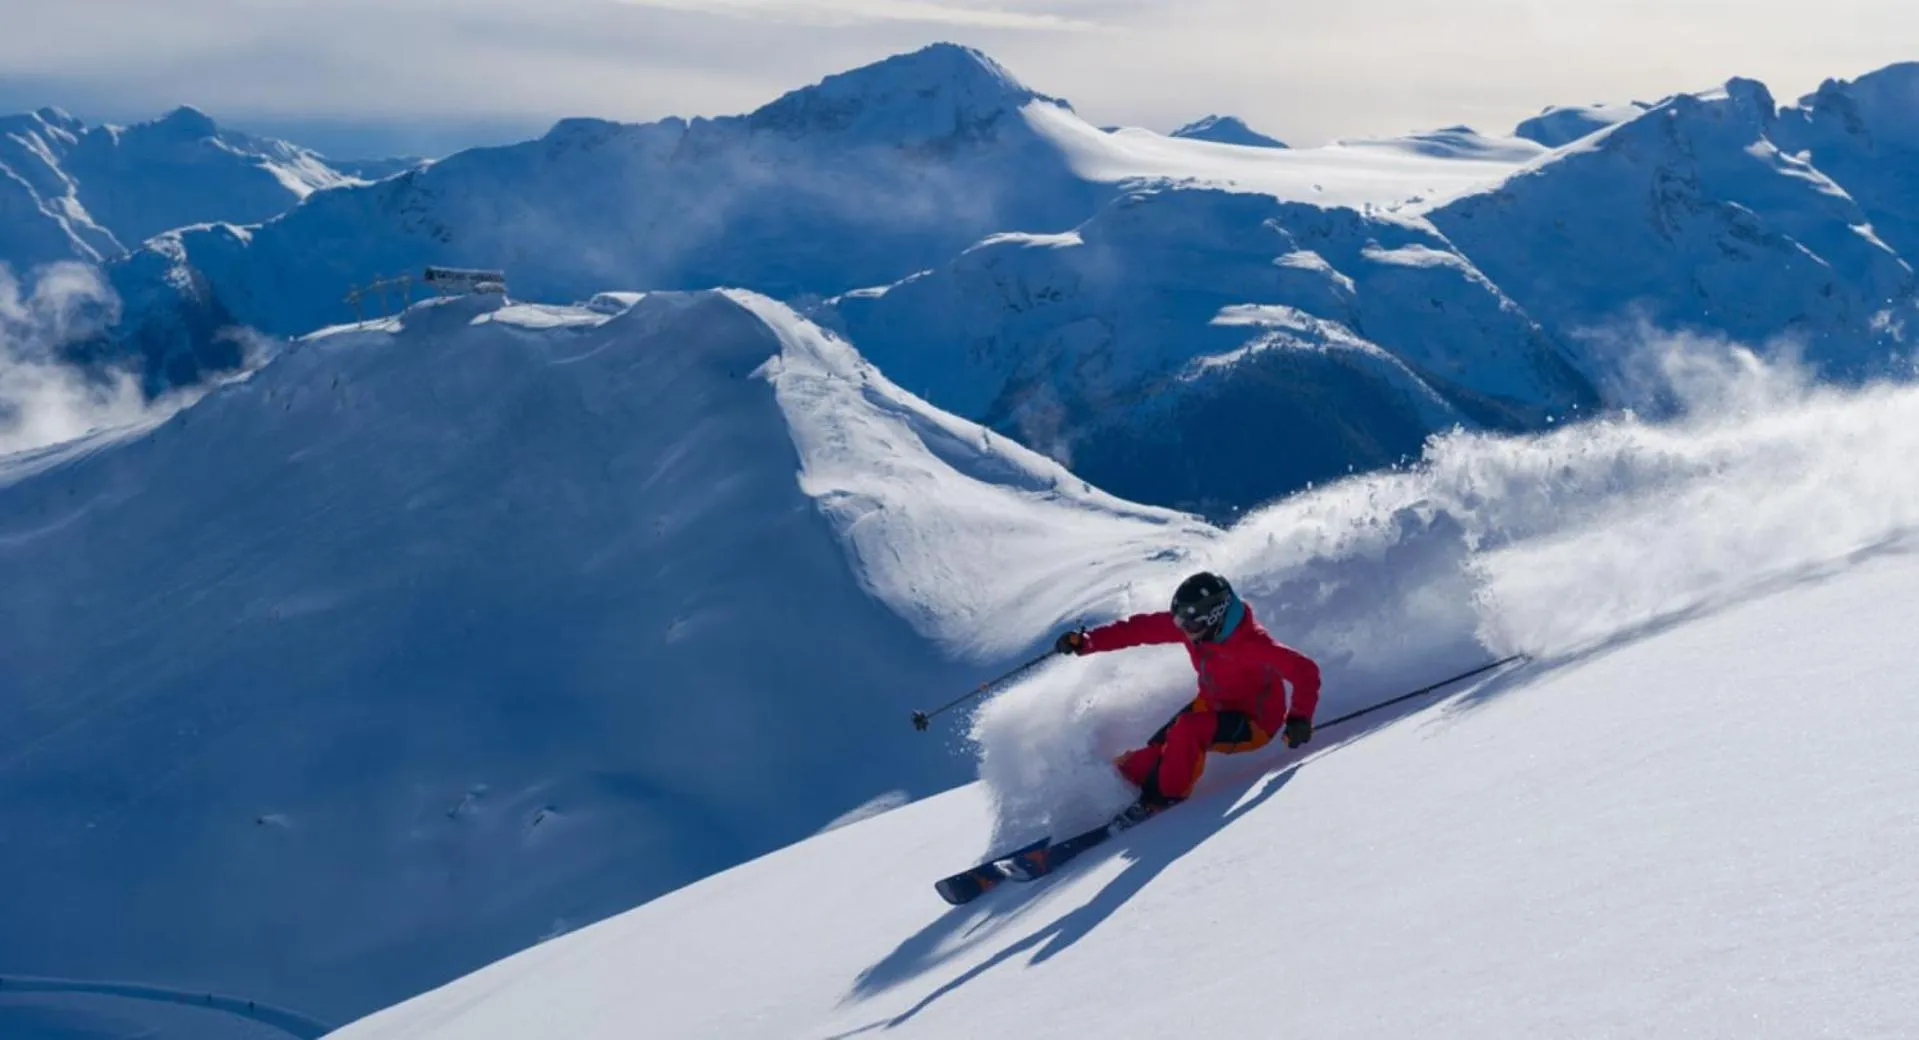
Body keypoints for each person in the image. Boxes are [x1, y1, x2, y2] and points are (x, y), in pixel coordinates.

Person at [1055, 571, 1320, 818]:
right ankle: (1122, 784)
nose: (1182, 629)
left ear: (1214, 617)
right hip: (1212, 705)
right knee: (1160, 748)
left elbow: (1305, 671)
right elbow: (1138, 630)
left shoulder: (1252, 644)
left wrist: (1299, 717)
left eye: (1189, 624)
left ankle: (1163, 799)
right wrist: (1088, 641)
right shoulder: (1195, 629)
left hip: (1254, 722)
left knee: (1188, 731)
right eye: (1179, 622)